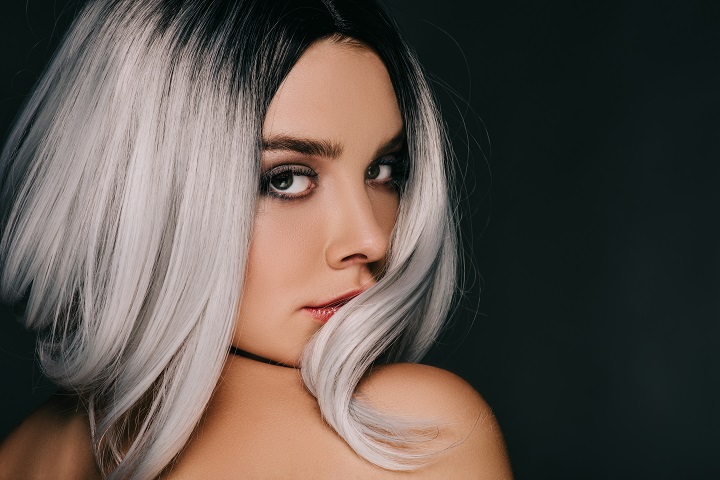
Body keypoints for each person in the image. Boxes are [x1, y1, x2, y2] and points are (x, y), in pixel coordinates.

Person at [0, 0, 512, 478]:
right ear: (148, 190)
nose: (371, 239)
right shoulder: (407, 435)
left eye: (382, 170)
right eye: (286, 179)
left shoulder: (22, 454)